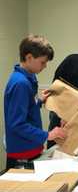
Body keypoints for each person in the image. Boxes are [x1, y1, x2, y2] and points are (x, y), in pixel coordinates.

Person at [4, 34, 66, 170]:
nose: (44, 66)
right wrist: (48, 135)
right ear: (29, 57)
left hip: (32, 149)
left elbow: (26, 108)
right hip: (22, 154)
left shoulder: (29, 77)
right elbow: (17, 124)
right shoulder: (20, 83)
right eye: (42, 62)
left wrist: (39, 101)